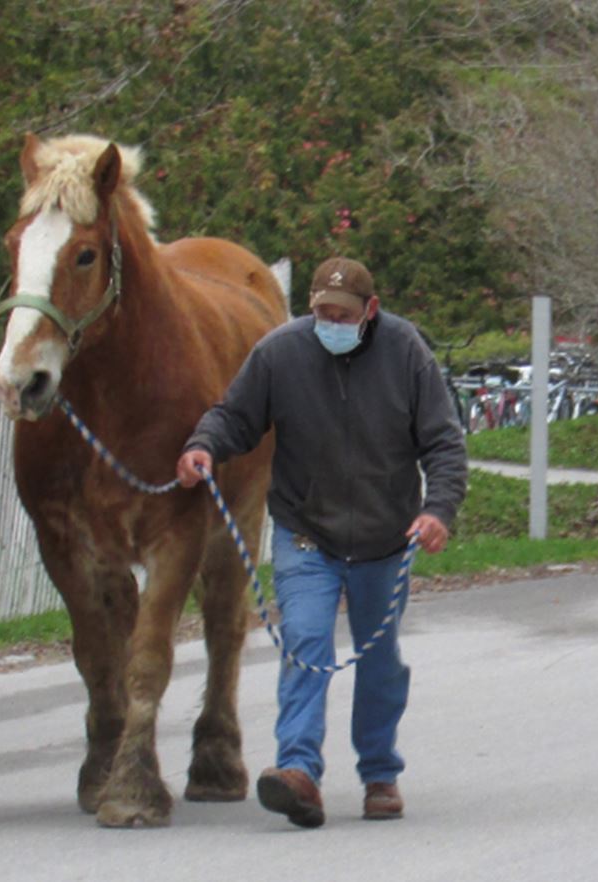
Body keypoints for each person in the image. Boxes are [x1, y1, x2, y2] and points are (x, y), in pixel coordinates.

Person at [176, 256, 467, 827]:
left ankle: (380, 772)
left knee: (379, 660)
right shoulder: (281, 352)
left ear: (371, 311)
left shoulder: (406, 352)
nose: (330, 322)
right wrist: (204, 445)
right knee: (306, 641)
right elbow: (234, 416)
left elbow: (443, 443)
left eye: (343, 314)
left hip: (386, 537)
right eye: (321, 313)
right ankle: (299, 771)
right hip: (306, 529)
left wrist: (438, 511)